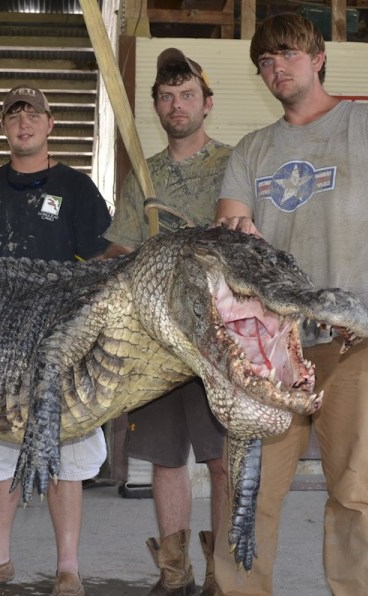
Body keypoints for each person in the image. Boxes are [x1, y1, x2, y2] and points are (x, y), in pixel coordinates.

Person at [211, 13, 368, 596]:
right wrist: (239, 234)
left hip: (358, 339)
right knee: (251, 494)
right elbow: (227, 229)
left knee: (352, 492)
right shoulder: (252, 150)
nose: (275, 69)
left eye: (287, 54)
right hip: (271, 353)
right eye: (264, 61)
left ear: (318, 58)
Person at [0, 84, 112, 596]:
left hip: (61, 339)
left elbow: (104, 260)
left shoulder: (77, 188)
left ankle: (68, 568)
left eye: (33, 115)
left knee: (67, 444)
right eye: (14, 115)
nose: (24, 123)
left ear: (50, 124)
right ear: (3, 126)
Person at [103, 49, 231, 596]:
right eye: (165, 97)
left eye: (186, 95)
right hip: (155, 342)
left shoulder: (235, 163)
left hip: (220, 340)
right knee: (165, 458)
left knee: (224, 457)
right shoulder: (145, 174)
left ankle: (224, 571)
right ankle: (174, 572)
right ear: (156, 105)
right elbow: (122, 249)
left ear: (207, 103)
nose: (175, 105)